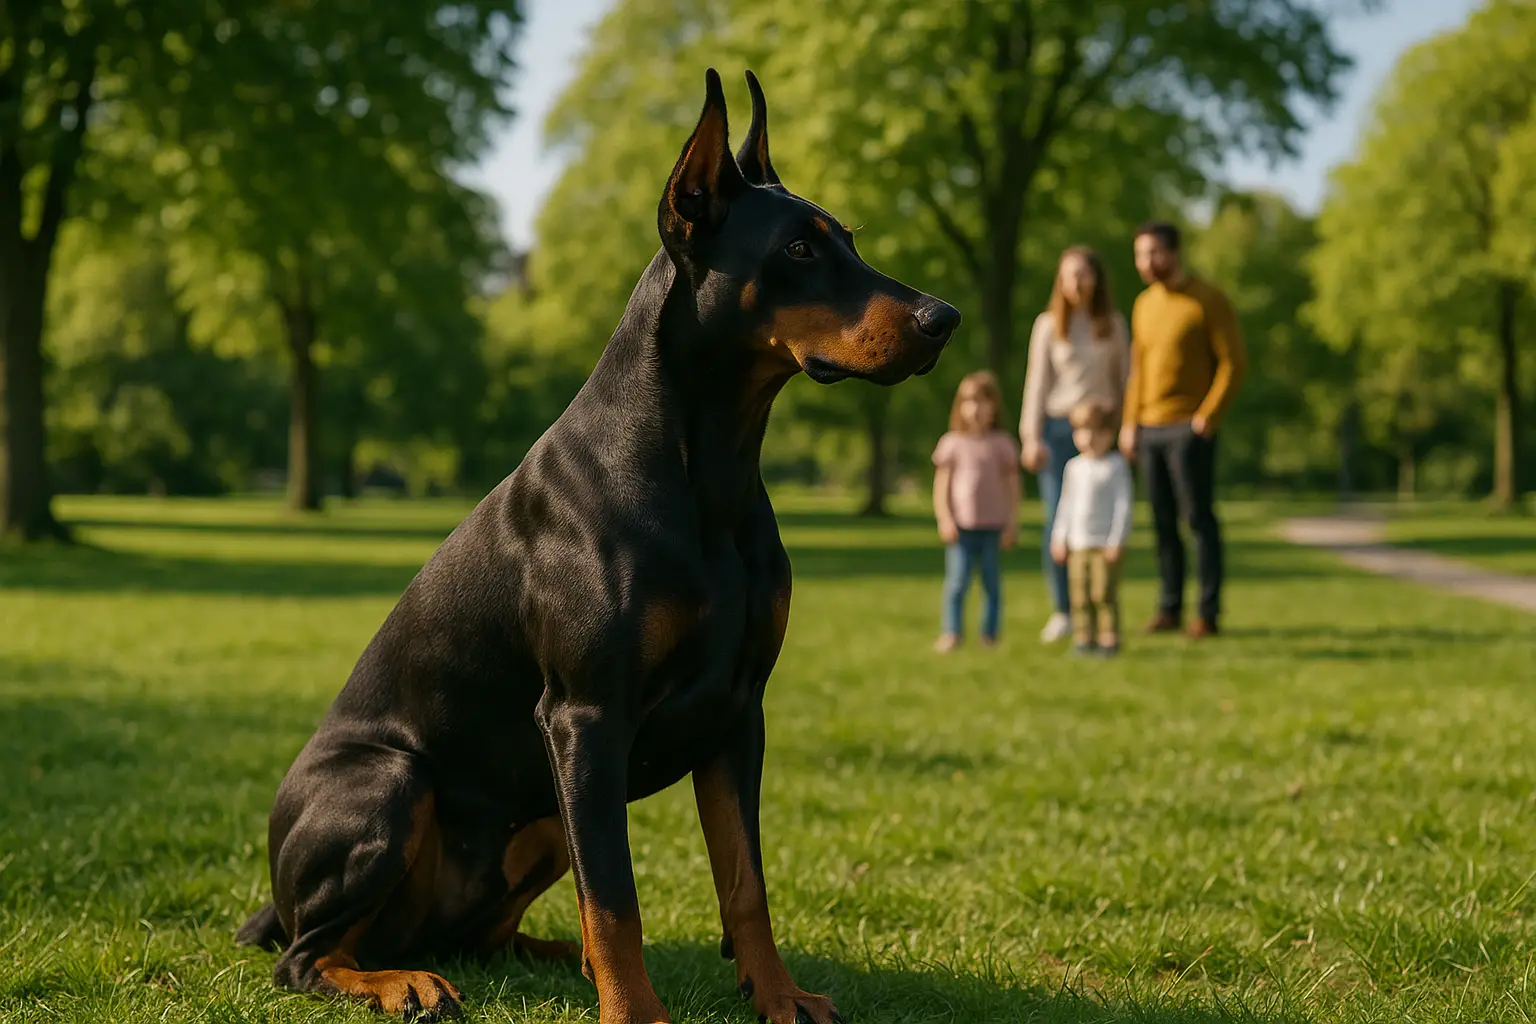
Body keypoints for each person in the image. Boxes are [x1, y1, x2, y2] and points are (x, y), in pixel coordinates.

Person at [1120, 221, 1247, 638]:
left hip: (1189, 427)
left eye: (1154, 253)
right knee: (1161, 521)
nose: (1146, 263)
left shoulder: (1208, 299)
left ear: (1175, 253)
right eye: (1140, 255)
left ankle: (1207, 613)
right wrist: (1129, 423)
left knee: (1198, 519)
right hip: (1149, 427)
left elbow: (1233, 362)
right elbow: (1137, 369)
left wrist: (1208, 416)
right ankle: (1169, 607)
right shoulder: (1143, 304)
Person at [1020, 246, 1129, 644]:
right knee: (1059, 520)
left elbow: (1125, 381)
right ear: (1060, 282)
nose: (1077, 282)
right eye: (1069, 275)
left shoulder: (1113, 325)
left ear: (1097, 278)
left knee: (1101, 520)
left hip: (1100, 431)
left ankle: (1102, 607)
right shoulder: (1048, 325)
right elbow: (1036, 384)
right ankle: (1064, 609)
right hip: (1057, 430)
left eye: (1084, 274)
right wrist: (1030, 437)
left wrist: (1125, 428)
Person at [933, 370, 1020, 653]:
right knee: (957, 584)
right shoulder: (952, 443)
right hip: (962, 527)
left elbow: (1012, 488)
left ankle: (989, 636)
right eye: (969, 401)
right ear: (960, 406)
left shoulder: (1002, 444)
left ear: (994, 406)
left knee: (992, 585)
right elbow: (942, 487)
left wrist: (1012, 523)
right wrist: (945, 519)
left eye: (983, 401)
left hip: (992, 526)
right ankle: (952, 633)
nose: (976, 408)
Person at [1050, 401, 1133, 657]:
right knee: (1079, 593)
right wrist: (1059, 537)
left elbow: (1123, 505)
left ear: (1109, 435)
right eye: (1081, 431)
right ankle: (1084, 638)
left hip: (1104, 544)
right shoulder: (1074, 467)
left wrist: (1117, 540)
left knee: (1102, 593)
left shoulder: (1116, 466)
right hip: (1078, 543)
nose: (1087, 438)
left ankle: (1109, 638)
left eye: (1094, 432)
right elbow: (1066, 505)